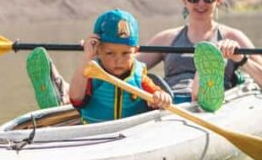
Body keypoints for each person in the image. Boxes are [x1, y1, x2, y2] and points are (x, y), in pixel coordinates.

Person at [137, 0, 262, 112]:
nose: (201, 3)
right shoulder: (166, 38)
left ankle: (201, 89)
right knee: (142, 76)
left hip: (212, 107)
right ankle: (198, 86)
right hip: (170, 103)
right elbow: (127, 66)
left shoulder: (232, 37)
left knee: (205, 89)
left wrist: (240, 58)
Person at [26, 9, 172, 123]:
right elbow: (76, 98)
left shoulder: (140, 76)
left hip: (131, 132)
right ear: (98, 50)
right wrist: (86, 58)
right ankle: (56, 91)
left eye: (125, 53)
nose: (118, 60)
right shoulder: (93, 72)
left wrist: (162, 97)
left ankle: (57, 90)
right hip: (96, 131)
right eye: (110, 54)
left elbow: (157, 93)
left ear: (136, 50)